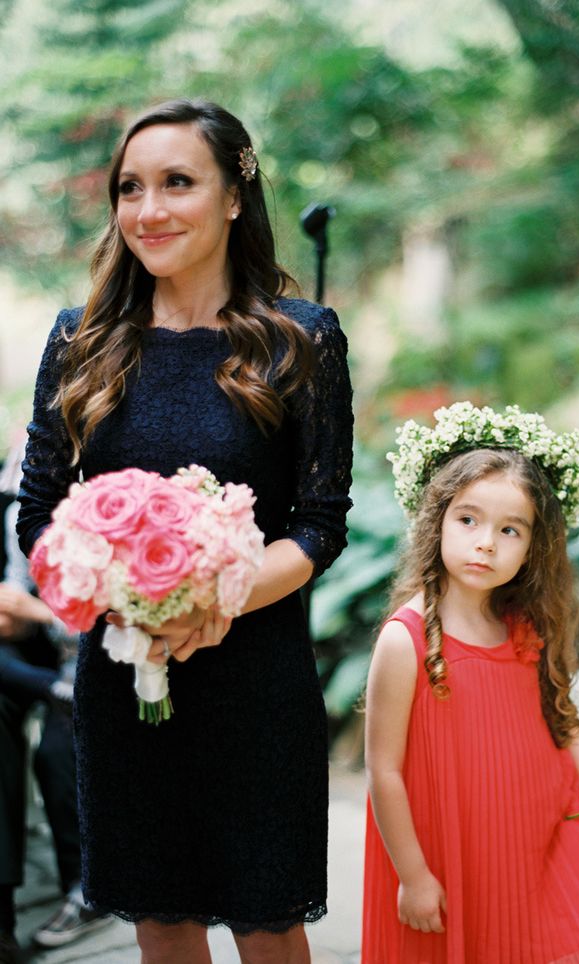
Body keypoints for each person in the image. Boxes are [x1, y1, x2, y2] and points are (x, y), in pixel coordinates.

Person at [17, 99, 353, 964]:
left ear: (235, 195)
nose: (148, 209)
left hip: (256, 678)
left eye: (177, 183)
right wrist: (118, 600)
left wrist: (216, 596)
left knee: (267, 920)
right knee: (160, 919)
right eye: (130, 188)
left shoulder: (300, 339)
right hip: (123, 678)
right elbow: (40, 513)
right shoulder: (81, 340)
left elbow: (318, 524)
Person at [362, 404, 579, 963]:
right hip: (459, 850)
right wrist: (414, 876)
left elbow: (560, 708)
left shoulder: (525, 628)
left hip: (548, 833)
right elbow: (383, 770)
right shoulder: (407, 640)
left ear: (531, 547)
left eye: (509, 529)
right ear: (436, 521)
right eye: (468, 520)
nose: (486, 542)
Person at [0, 448, 111, 962]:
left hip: (119, 655)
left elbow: (120, 611)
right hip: (63, 666)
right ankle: (81, 887)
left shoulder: (110, 518)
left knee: (59, 752)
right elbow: (21, 597)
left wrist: (39, 613)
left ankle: (92, 888)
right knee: (52, 748)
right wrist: (14, 614)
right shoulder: (18, 516)